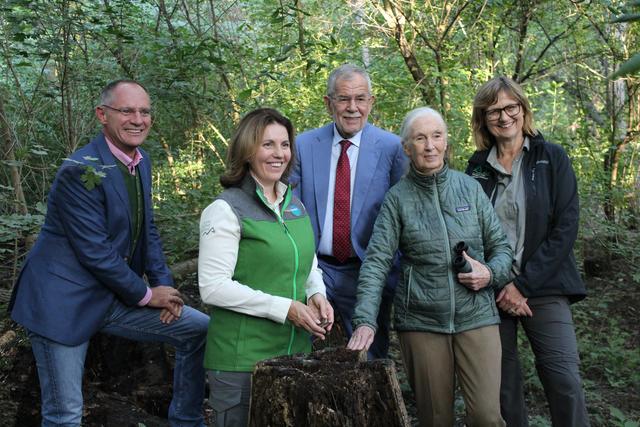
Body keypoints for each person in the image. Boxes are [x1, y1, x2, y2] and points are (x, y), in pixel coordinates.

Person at [8, 79, 210, 426]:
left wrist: (167, 290)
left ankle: (187, 420)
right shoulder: (79, 169)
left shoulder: (140, 160)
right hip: (63, 303)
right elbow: (95, 253)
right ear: (102, 114)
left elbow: (147, 230)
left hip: (112, 296)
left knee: (198, 328)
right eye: (127, 110)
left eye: (145, 111)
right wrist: (147, 295)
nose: (138, 119)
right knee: (65, 414)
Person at [347, 107, 512, 427]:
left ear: (446, 141)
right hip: (421, 321)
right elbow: (377, 261)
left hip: (476, 315)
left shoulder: (470, 188)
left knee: (487, 417)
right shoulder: (397, 199)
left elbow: (501, 249)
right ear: (407, 147)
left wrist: (489, 274)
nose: (430, 145)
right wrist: (366, 320)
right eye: (420, 138)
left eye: (436, 136)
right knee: (436, 419)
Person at [198, 108, 333, 427]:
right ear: (247, 150)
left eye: (284, 145)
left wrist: (316, 292)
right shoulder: (224, 209)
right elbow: (213, 287)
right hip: (241, 362)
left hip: (294, 357)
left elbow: (306, 258)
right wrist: (285, 308)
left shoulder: (293, 203)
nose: (279, 153)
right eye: (267, 144)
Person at [466, 76, 589, 426]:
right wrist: (497, 280)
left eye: (510, 107)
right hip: (491, 290)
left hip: (545, 286)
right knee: (502, 388)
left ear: (522, 109)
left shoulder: (552, 157)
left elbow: (565, 228)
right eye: (493, 111)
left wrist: (523, 286)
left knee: (564, 380)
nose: (504, 117)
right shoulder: (476, 167)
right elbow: (467, 230)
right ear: (483, 119)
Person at [289, 63, 407, 359]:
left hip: (367, 269)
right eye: (343, 99)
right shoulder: (302, 146)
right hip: (315, 266)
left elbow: (406, 214)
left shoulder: (393, 148)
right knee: (301, 350)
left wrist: (392, 270)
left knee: (371, 357)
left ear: (371, 102)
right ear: (329, 104)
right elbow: (287, 209)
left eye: (360, 99)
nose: (352, 108)